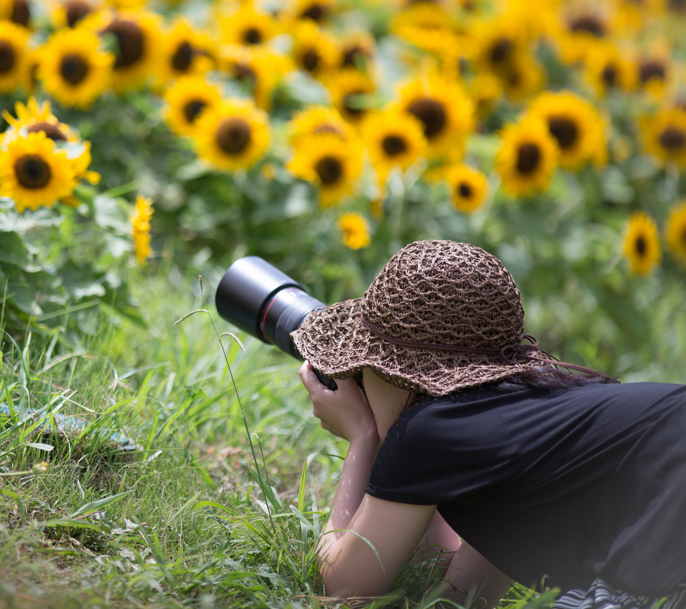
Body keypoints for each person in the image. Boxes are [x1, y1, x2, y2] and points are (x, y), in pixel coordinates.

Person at [290, 239, 686, 609]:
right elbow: (460, 593)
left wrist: (364, 438)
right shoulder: (524, 424)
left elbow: (346, 589)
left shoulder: (428, 428)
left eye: (360, 367)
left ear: (394, 372)